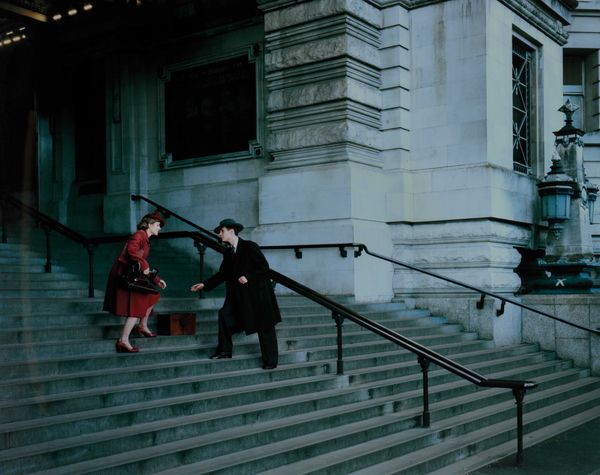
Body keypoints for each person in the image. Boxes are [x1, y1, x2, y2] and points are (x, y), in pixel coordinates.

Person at [190, 218, 281, 369]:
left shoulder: (249, 247)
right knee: (225, 315)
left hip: (258, 295)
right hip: (239, 296)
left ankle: (271, 361)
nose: (220, 234)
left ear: (232, 231)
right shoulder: (229, 252)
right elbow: (222, 274)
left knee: (265, 327)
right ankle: (225, 350)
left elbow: (264, 269)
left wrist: (248, 277)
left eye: (222, 231)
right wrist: (205, 284)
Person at [103, 211, 167, 353]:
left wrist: (156, 279)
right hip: (125, 276)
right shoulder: (139, 235)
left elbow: (140, 262)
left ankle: (142, 326)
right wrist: (145, 267)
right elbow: (132, 252)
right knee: (137, 306)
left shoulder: (145, 239)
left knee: (152, 296)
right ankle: (123, 340)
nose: (160, 228)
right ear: (150, 224)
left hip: (132, 275)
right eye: (158, 225)